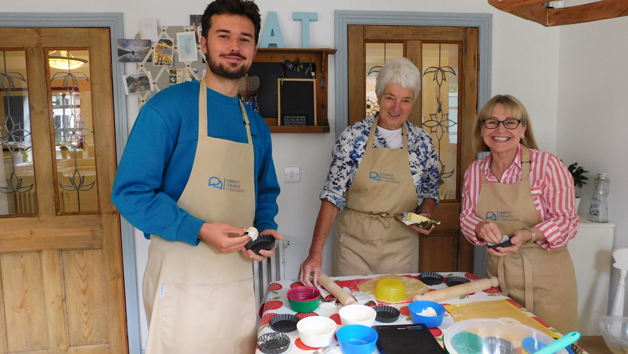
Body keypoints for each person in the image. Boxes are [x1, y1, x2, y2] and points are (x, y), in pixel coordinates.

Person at [111, 0, 281, 352]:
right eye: (224, 36)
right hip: (180, 281)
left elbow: (265, 191)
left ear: (254, 48)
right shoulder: (167, 109)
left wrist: (264, 229)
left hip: (235, 281)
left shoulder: (256, 127)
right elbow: (130, 193)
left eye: (245, 39)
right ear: (203, 43)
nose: (235, 47)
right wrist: (200, 230)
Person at [298, 58, 440, 286]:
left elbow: (431, 190)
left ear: (413, 102)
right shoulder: (352, 138)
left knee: (397, 309)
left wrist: (426, 213)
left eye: (405, 100)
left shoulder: (421, 142)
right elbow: (332, 198)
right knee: (352, 308)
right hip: (354, 248)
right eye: (390, 98)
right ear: (378, 94)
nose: (396, 108)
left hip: (401, 247)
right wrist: (315, 253)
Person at [460, 94, 578, 334]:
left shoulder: (547, 165)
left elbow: (567, 222)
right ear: (481, 130)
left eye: (510, 122)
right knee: (503, 339)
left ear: (523, 129)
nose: (500, 129)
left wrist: (529, 234)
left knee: (549, 344)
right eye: (491, 122)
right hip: (498, 276)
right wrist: (480, 227)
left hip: (547, 279)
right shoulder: (475, 171)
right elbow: (467, 217)